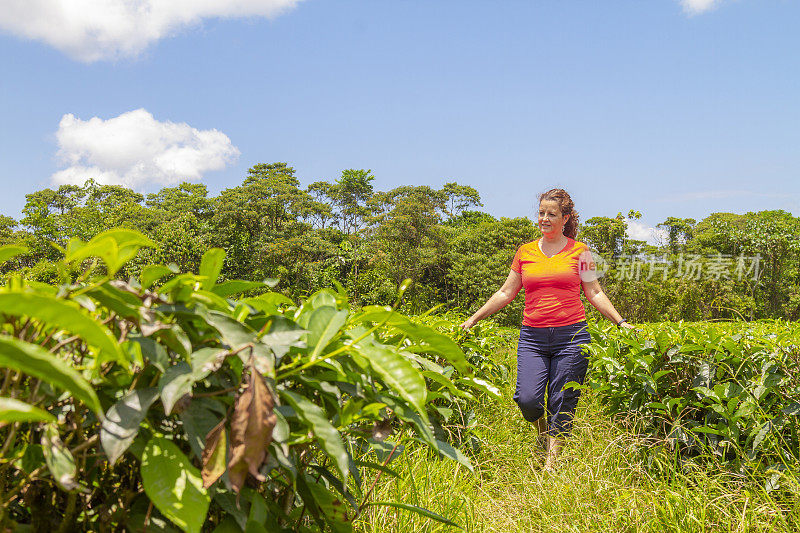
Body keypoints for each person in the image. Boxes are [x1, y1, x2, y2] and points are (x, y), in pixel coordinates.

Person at [459, 188, 634, 470]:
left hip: (572, 336)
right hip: (533, 337)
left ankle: (551, 465)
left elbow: (595, 292)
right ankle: (542, 432)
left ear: (565, 218)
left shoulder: (581, 251)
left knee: (562, 399)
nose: (544, 219)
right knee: (527, 399)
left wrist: (621, 321)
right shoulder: (524, 252)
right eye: (541, 213)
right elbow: (506, 292)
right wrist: (473, 319)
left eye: (551, 214)